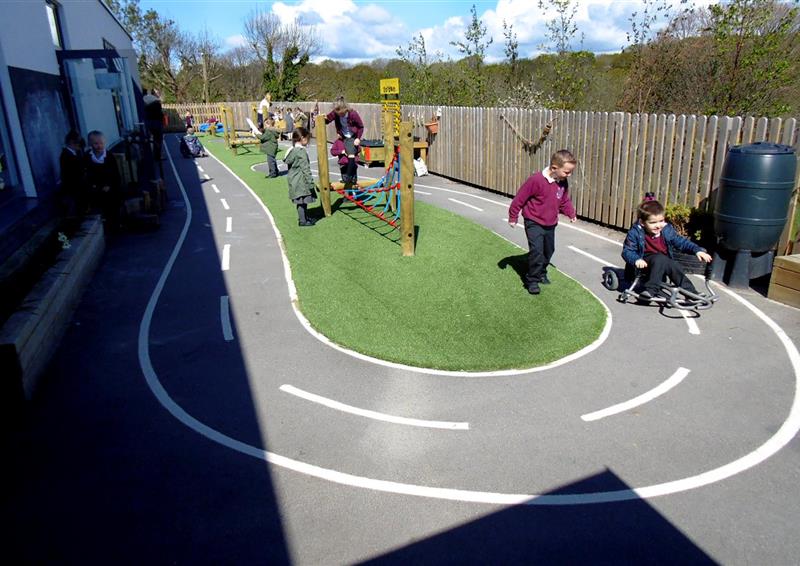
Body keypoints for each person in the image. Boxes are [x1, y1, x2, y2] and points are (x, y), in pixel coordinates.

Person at [508, 149, 578, 295]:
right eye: (566, 172)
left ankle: (541, 271)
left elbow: (564, 200)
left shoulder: (562, 182)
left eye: (570, 172)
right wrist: (513, 216)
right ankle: (532, 280)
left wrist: (571, 213)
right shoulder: (536, 180)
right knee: (537, 251)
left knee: (548, 250)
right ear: (554, 168)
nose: (569, 175)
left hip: (550, 222)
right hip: (533, 221)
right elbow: (520, 198)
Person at [622, 193, 713, 300]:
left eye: (661, 221)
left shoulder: (666, 230)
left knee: (674, 266)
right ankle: (650, 290)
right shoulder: (635, 232)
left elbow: (681, 242)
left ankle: (691, 293)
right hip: (644, 262)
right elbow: (627, 251)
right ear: (642, 222)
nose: (658, 225)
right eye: (653, 222)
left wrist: (697, 250)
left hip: (662, 261)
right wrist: (636, 259)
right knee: (660, 258)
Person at [85, 130, 122, 230]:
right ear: (90, 144)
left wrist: (109, 184)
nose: (99, 146)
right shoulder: (88, 157)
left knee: (112, 205)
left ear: (104, 143)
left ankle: (114, 224)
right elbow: (87, 173)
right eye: (96, 143)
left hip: (109, 187)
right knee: (97, 205)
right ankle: (102, 225)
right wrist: (92, 185)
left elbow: (114, 174)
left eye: (101, 143)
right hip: (96, 187)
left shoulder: (109, 156)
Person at [324, 97, 364, 185]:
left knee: (351, 156)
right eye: (337, 112)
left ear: (345, 108)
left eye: (341, 112)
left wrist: (358, 138)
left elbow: (361, 126)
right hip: (343, 137)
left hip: (352, 137)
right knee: (343, 159)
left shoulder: (353, 114)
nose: (339, 114)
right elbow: (327, 119)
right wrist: (320, 118)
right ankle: (348, 177)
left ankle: (349, 178)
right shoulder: (336, 113)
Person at [283, 127, 317, 227]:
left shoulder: (292, 150)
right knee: (302, 201)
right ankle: (303, 221)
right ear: (302, 138)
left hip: (293, 179)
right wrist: (310, 182)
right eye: (307, 139)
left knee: (301, 200)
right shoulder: (301, 152)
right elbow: (305, 168)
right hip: (301, 180)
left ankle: (304, 217)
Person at [59, 129, 87, 217]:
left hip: (73, 187)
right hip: (72, 187)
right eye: (78, 145)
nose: (79, 148)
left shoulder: (71, 154)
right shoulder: (68, 156)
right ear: (72, 143)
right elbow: (75, 173)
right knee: (73, 211)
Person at [142, 88, 164, 160]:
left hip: (148, 121)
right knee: (158, 139)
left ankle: (150, 156)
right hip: (155, 122)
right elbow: (159, 112)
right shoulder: (155, 101)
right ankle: (157, 156)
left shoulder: (144, 99)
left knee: (149, 139)